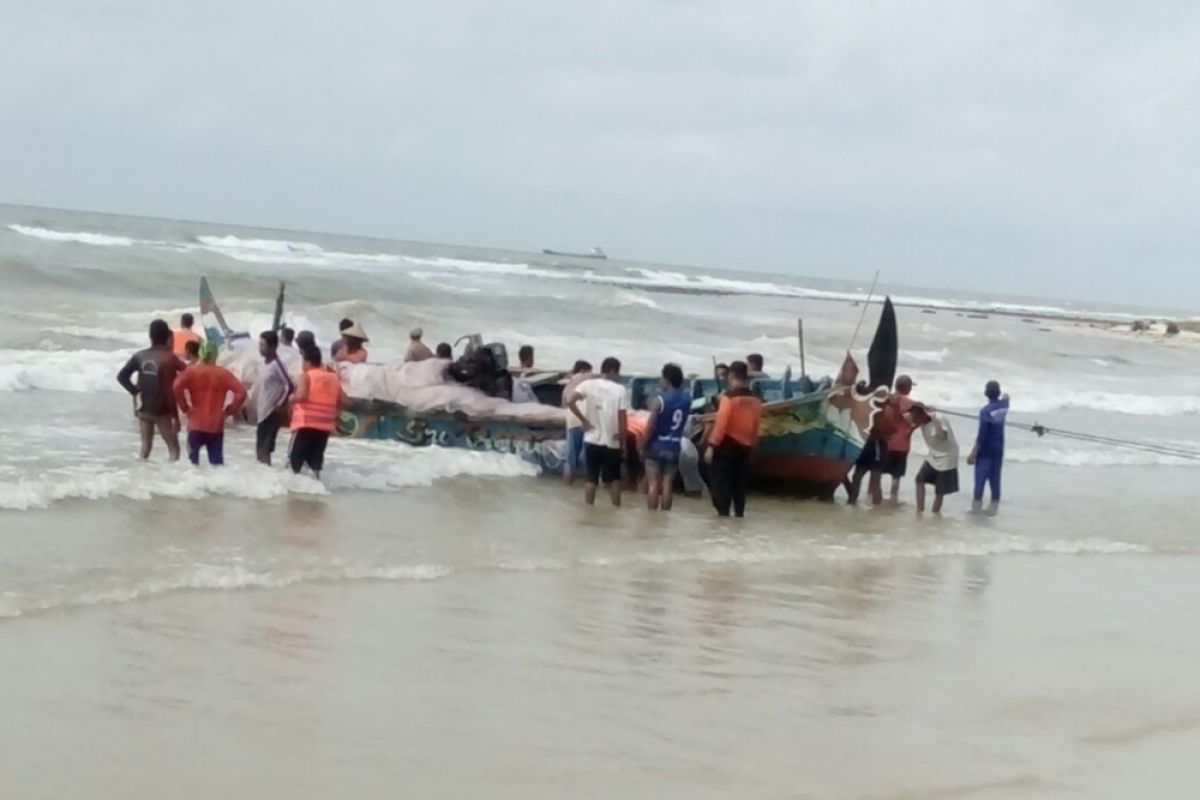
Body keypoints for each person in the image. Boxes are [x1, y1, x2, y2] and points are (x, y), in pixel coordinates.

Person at [117, 319, 186, 461]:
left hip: (144, 408)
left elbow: (122, 377)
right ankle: (171, 480)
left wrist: (135, 391)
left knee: (145, 447)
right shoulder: (171, 358)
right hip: (163, 410)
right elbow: (187, 375)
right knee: (174, 449)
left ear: (150, 336)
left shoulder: (139, 356)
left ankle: (141, 477)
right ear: (168, 336)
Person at [173, 341, 247, 466]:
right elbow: (241, 393)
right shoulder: (223, 373)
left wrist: (185, 408)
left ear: (200, 354)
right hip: (216, 425)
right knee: (217, 466)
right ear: (215, 355)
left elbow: (176, 387)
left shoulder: (191, 371)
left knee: (192, 465)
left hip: (196, 423)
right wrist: (229, 411)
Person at [567, 357, 628, 507]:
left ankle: (589, 508)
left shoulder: (588, 384)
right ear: (613, 371)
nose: (618, 376)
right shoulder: (620, 390)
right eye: (618, 372)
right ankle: (616, 509)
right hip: (612, 440)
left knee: (591, 479)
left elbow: (570, 401)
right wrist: (623, 443)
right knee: (614, 480)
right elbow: (622, 418)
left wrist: (584, 421)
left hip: (591, 438)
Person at [706, 361, 763, 517]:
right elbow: (756, 426)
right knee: (739, 489)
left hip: (726, 447)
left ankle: (723, 518)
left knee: (720, 486)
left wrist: (711, 446)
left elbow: (721, 424)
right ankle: (738, 518)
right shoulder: (756, 399)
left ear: (731, 376)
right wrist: (753, 446)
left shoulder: (729, 398)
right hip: (745, 448)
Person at [290, 344, 343, 478]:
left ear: (307, 361)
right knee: (315, 462)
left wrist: (290, 399)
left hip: (306, 424)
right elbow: (342, 399)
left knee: (294, 462)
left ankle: (293, 491)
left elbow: (301, 396)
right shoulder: (333, 377)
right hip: (324, 426)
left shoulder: (306, 376)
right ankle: (315, 489)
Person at [644, 363, 690, 511]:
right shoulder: (686, 399)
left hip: (657, 445)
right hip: (675, 446)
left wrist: (642, 444)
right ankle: (665, 516)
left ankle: (652, 516)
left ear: (667, 380)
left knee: (653, 484)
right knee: (667, 483)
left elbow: (650, 426)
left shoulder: (659, 400)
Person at [252, 330, 295, 466]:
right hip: (262, 413)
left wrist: (280, 405)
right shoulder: (265, 364)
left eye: (263, 345)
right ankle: (262, 476)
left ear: (273, 347)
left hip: (271, 412)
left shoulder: (277, 364)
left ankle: (268, 477)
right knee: (259, 448)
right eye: (260, 345)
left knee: (265, 449)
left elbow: (290, 385)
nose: (260, 349)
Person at [967, 380, 1009, 512]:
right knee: (995, 483)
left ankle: (976, 511)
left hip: (985, 453)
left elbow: (982, 435)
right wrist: (1003, 395)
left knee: (979, 484)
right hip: (998, 451)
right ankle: (993, 510)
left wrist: (973, 453)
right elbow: (1007, 397)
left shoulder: (985, 411)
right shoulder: (1004, 406)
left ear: (986, 393)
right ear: (998, 392)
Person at [911, 403, 959, 514]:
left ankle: (935, 514)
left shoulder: (939, 418)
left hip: (947, 456)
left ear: (922, 415)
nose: (913, 418)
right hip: (933, 455)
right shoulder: (921, 421)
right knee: (919, 479)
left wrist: (934, 419)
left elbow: (942, 436)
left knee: (940, 490)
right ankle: (920, 510)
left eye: (915, 416)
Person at [881, 374, 917, 503]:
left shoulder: (887, 399)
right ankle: (893, 499)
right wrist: (912, 429)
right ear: (906, 388)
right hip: (901, 446)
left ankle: (873, 496)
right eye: (910, 387)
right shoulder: (911, 404)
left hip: (886, 442)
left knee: (878, 473)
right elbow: (917, 420)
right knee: (896, 476)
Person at [561, 360, 594, 485]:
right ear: (583, 370)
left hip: (572, 418)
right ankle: (589, 489)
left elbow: (564, 404)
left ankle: (567, 487)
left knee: (570, 460)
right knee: (589, 459)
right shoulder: (588, 377)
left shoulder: (568, 383)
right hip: (586, 418)